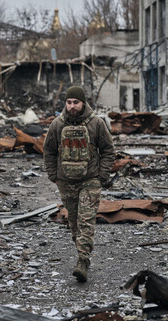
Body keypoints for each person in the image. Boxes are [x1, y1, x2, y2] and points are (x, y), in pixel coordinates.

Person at [43, 86, 114, 282]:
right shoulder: (57, 125)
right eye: (69, 102)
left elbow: (108, 150)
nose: (72, 106)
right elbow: (48, 151)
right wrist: (53, 175)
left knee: (86, 220)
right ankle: (83, 253)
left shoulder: (96, 123)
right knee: (74, 223)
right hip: (65, 181)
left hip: (90, 180)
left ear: (83, 103)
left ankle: (82, 260)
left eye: (76, 102)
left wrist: (102, 176)